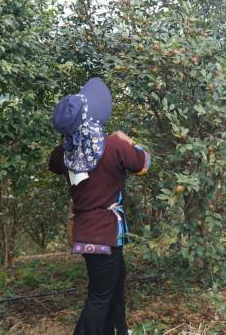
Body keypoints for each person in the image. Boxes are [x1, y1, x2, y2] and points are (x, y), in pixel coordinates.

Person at [49, 77, 152, 335]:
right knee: (100, 297)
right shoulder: (114, 146)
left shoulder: (64, 153)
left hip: (88, 231)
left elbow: (54, 163)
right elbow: (143, 164)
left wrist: (70, 141)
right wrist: (128, 139)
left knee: (115, 285)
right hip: (105, 232)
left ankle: (117, 330)